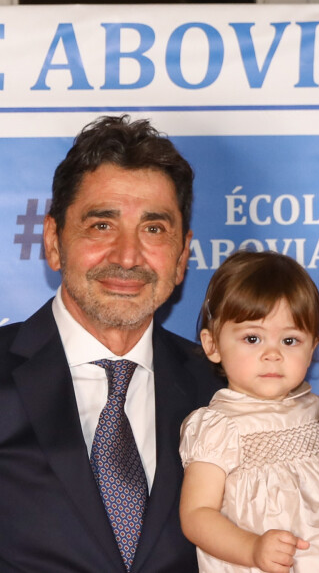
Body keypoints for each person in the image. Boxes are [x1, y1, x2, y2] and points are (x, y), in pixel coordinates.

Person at [0, 115, 223, 572]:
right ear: (54, 241)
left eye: (154, 229)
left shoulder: (220, 389)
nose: (127, 256)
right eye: (102, 225)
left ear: (182, 258)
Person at [179, 250, 319, 572]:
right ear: (212, 344)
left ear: (312, 348)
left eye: (290, 340)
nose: (272, 354)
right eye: (253, 338)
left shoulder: (311, 407)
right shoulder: (219, 425)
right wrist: (252, 548)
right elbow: (197, 515)